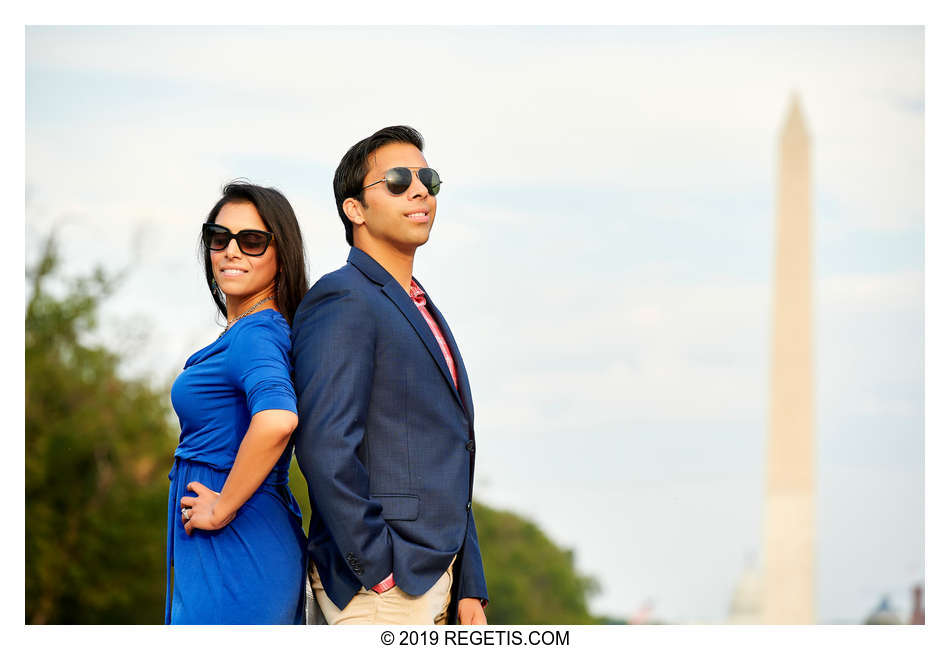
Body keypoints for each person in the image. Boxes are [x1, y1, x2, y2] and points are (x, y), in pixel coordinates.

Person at [292, 126, 489, 625]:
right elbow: (325, 444)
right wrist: (376, 569)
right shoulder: (343, 298)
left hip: (437, 585)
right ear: (354, 209)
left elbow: (449, 455)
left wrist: (467, 585)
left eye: (429, 179)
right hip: (380, 591)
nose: (420, 190)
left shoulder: (419, 306)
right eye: (399, 181)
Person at [165, 182, 309, 624]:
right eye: (219, 237)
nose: (231, 251)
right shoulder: (244, 332)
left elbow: (278, 420)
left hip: (238, 547)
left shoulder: (256, 334)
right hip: (220, 550)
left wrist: (223, 505)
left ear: (280, 253)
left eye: (251, 241)